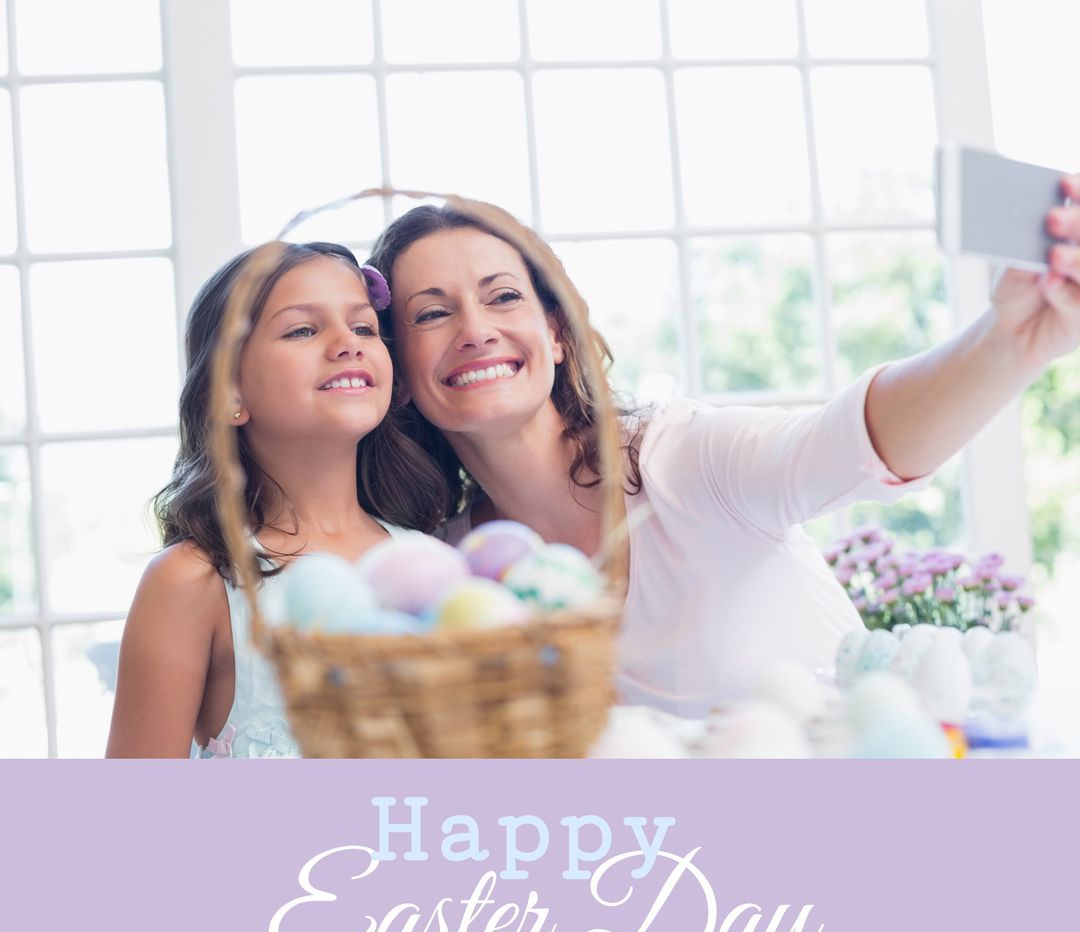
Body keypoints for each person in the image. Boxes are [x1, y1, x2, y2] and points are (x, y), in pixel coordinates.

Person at [367, 182, 1080, 718]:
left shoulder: (682, 458)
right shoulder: (455, 571)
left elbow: (849, 443)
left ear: (555, 335)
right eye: (432, 313)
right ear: (399, 371)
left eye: (501, 298)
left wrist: (1008, 341)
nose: (474, 329)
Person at [106, 242, 443, 757]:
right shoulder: (194, 581)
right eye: (302, 330)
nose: (347, 344)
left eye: (364, 328)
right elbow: (121, 822)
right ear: (229, 395)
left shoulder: (429, 564)